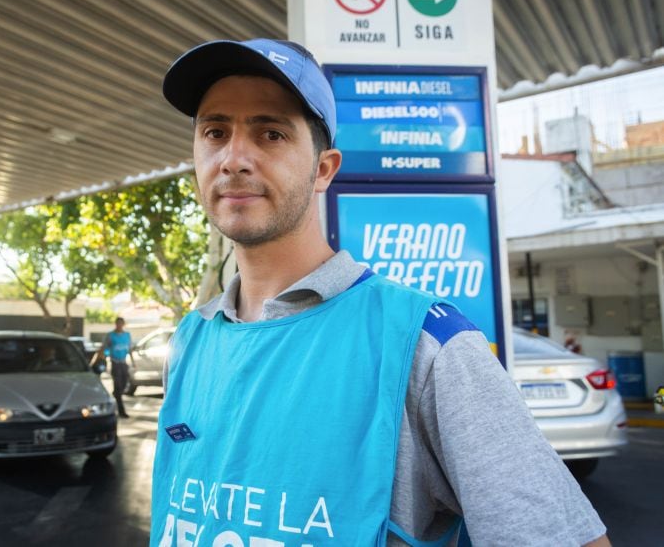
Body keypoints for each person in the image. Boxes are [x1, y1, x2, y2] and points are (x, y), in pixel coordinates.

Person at [150, 38, 610, 546]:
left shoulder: (426, 346)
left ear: (323, 169)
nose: (234, 158)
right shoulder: (190, 341)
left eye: (271, 134)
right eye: (215, 131)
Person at [103, 317, 134, 418]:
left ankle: (115, 394)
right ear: (115, 324)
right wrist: (107, 356)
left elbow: (129, 349)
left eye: (121, 323)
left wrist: (133, 361)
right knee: (118, 386)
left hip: (123, 363)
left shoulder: (127, 335)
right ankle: (121, 411)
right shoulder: (110, 335)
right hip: (115, 363)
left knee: (124, 385)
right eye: (118, 323)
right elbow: (105, 348)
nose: (119, 325)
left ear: (123, 324)